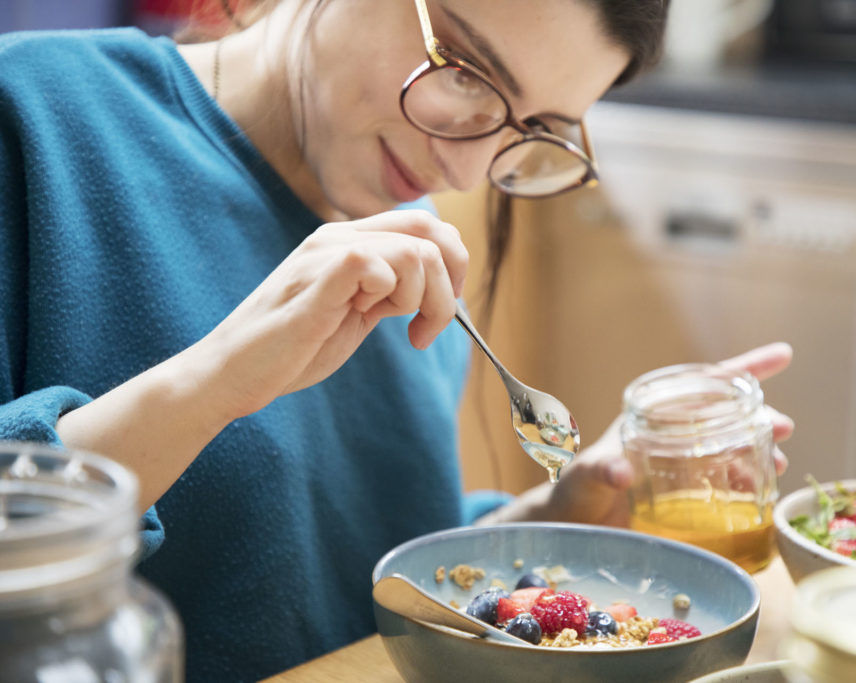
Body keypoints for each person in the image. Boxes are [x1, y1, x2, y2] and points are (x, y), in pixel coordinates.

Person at [0, 0, 794, 680]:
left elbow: (350, 578)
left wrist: (558, 505)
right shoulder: (31, 118)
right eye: (463, 70)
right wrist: (215, 380)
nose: (467, 166)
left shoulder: (414, 249)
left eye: (536, 129)